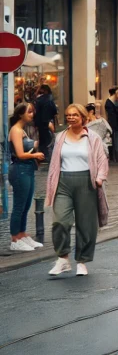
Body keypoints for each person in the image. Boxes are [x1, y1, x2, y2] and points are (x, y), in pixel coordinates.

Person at [45, 104, 109, 277]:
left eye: (75, 115)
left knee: (86, 224)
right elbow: (54, 162)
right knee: (60, 221)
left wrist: (100, 178)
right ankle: (63, 259)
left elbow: (102, 160)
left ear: (83, 118)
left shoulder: (92, 137)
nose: (71, 118)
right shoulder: (60, 137)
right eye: (68, 115)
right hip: (63, 182)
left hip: (86, 182)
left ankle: (82, 261)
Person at [8, 103, 46, 252]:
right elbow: (20, 154)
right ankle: (14, 238)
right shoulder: (16, 130)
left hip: (28, 169)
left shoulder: (23, 130)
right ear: (20, 114)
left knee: (26, 204)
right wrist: (35, 155)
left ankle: (22, 234)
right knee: (19, 205)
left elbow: (30, 146)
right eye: (29, 112)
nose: (32, 114)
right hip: (19, 169)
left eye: (32, 111)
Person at [33, 84, 58, 157]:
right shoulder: (50, 99)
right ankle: (49, 158)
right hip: (48, 123)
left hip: (40, 125)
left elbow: (37, 114)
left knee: (43, 143)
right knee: (49, 142)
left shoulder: (37, 100)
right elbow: (54, 111)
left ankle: (43, 157)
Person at [105, 86, 118, 160]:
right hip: (115, 127)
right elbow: (112, 116)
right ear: (113, 94)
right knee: (117, 143)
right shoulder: (109, 103)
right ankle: (117, 159)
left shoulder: (116, 102)